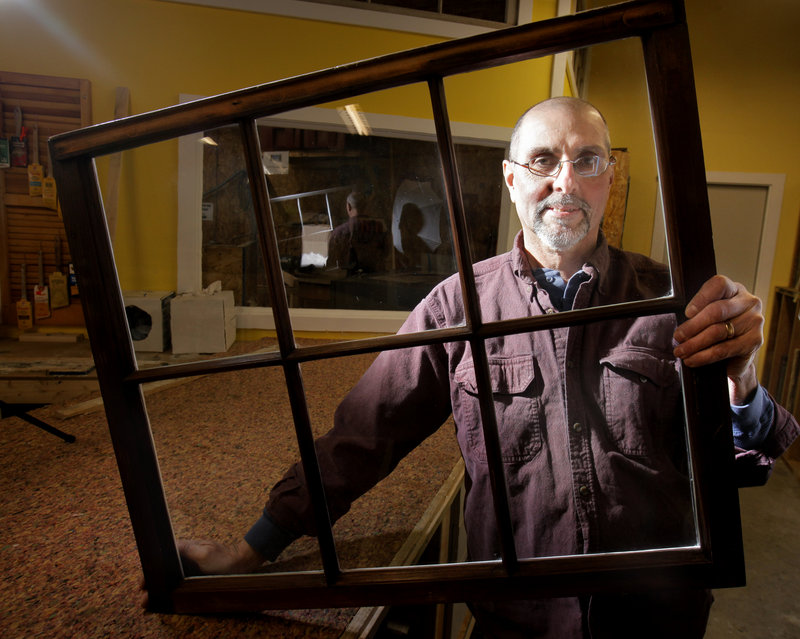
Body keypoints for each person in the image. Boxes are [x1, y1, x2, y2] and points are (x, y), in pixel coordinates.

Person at [171, 98, 799, 637]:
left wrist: (741, 382)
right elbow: (361, 438)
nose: (566, 182)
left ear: (610, 175)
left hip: (659, 617)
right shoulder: (457, 307)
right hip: (516, 620)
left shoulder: (674, 303)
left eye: (588, 161)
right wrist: (253, 551)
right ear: (510, 178)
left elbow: (746, 466)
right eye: (544, 161)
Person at [326, 190, 388, 274]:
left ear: (348, 207)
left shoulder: (338, 233)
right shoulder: (380, 228)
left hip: (348, 281)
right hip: (377, 280)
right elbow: (387, 255)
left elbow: (331, 264)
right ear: (366, 206)